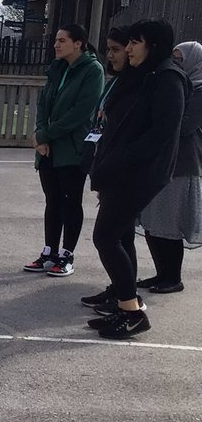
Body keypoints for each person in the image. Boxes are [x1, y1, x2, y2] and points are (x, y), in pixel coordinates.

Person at [87, 19, 188, 340]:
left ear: (153, 45)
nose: (128, 49)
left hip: (139, 173)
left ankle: (132, 312)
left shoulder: (168, 79)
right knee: (121, 236)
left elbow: (160, 135)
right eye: (127, 43)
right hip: (119, 170)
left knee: (105, 236)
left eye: (135, 43)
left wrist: (116, 162)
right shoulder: (142, 76)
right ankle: (123, 303)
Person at [23, 23, 104, 277]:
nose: (56, 45)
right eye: (56, 40)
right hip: (49, 148)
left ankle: (67, 254)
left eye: (62, 40)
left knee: (70, 201)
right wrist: (41, 136)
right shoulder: (57, 68)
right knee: (53, 200)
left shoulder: (92, 70)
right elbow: (44, 104)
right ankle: (49, 251)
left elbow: (80, 113)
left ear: (78, 43)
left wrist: (46, 134)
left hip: (72, 148)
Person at [79, 27, 141, 316]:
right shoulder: (116, 82)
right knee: (121, 235)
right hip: (106, 165)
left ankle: (128, 301)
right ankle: (119, 290)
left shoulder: (138, 85)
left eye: (117, 49)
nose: (113, 55)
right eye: (111, 49)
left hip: (124, 173)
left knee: (110, 237)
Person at [134, 40, 202, 293]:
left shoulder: (199, 90)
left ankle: (173, 277)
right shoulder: (174, 85)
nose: (176, 64)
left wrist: (160, 119)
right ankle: (160, 273)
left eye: (180, 59)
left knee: (170, 225)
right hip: (160, 161)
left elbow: (183, 125)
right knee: (153, 222)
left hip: (183, 165)